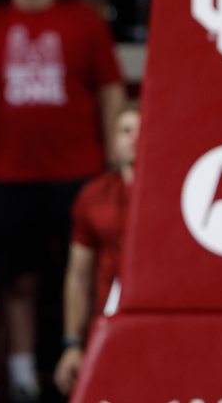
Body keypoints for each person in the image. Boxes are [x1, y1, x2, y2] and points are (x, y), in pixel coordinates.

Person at [0, 0, 124, 403]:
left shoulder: (86, 20)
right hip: (7, 173)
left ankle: (94, 368)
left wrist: (115, 152)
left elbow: (111, 90)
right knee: (18, 282)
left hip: (80, 170)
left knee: (87, 270)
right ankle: (23, 379)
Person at [53, 103, 139, 396]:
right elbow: (78, 276)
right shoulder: (93, 196)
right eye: (125, 130)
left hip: (155, 328)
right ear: (112, 140)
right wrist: (72, 344)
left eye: (142, 129)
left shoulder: (176, 195)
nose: (134, 138)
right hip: (104, 331)